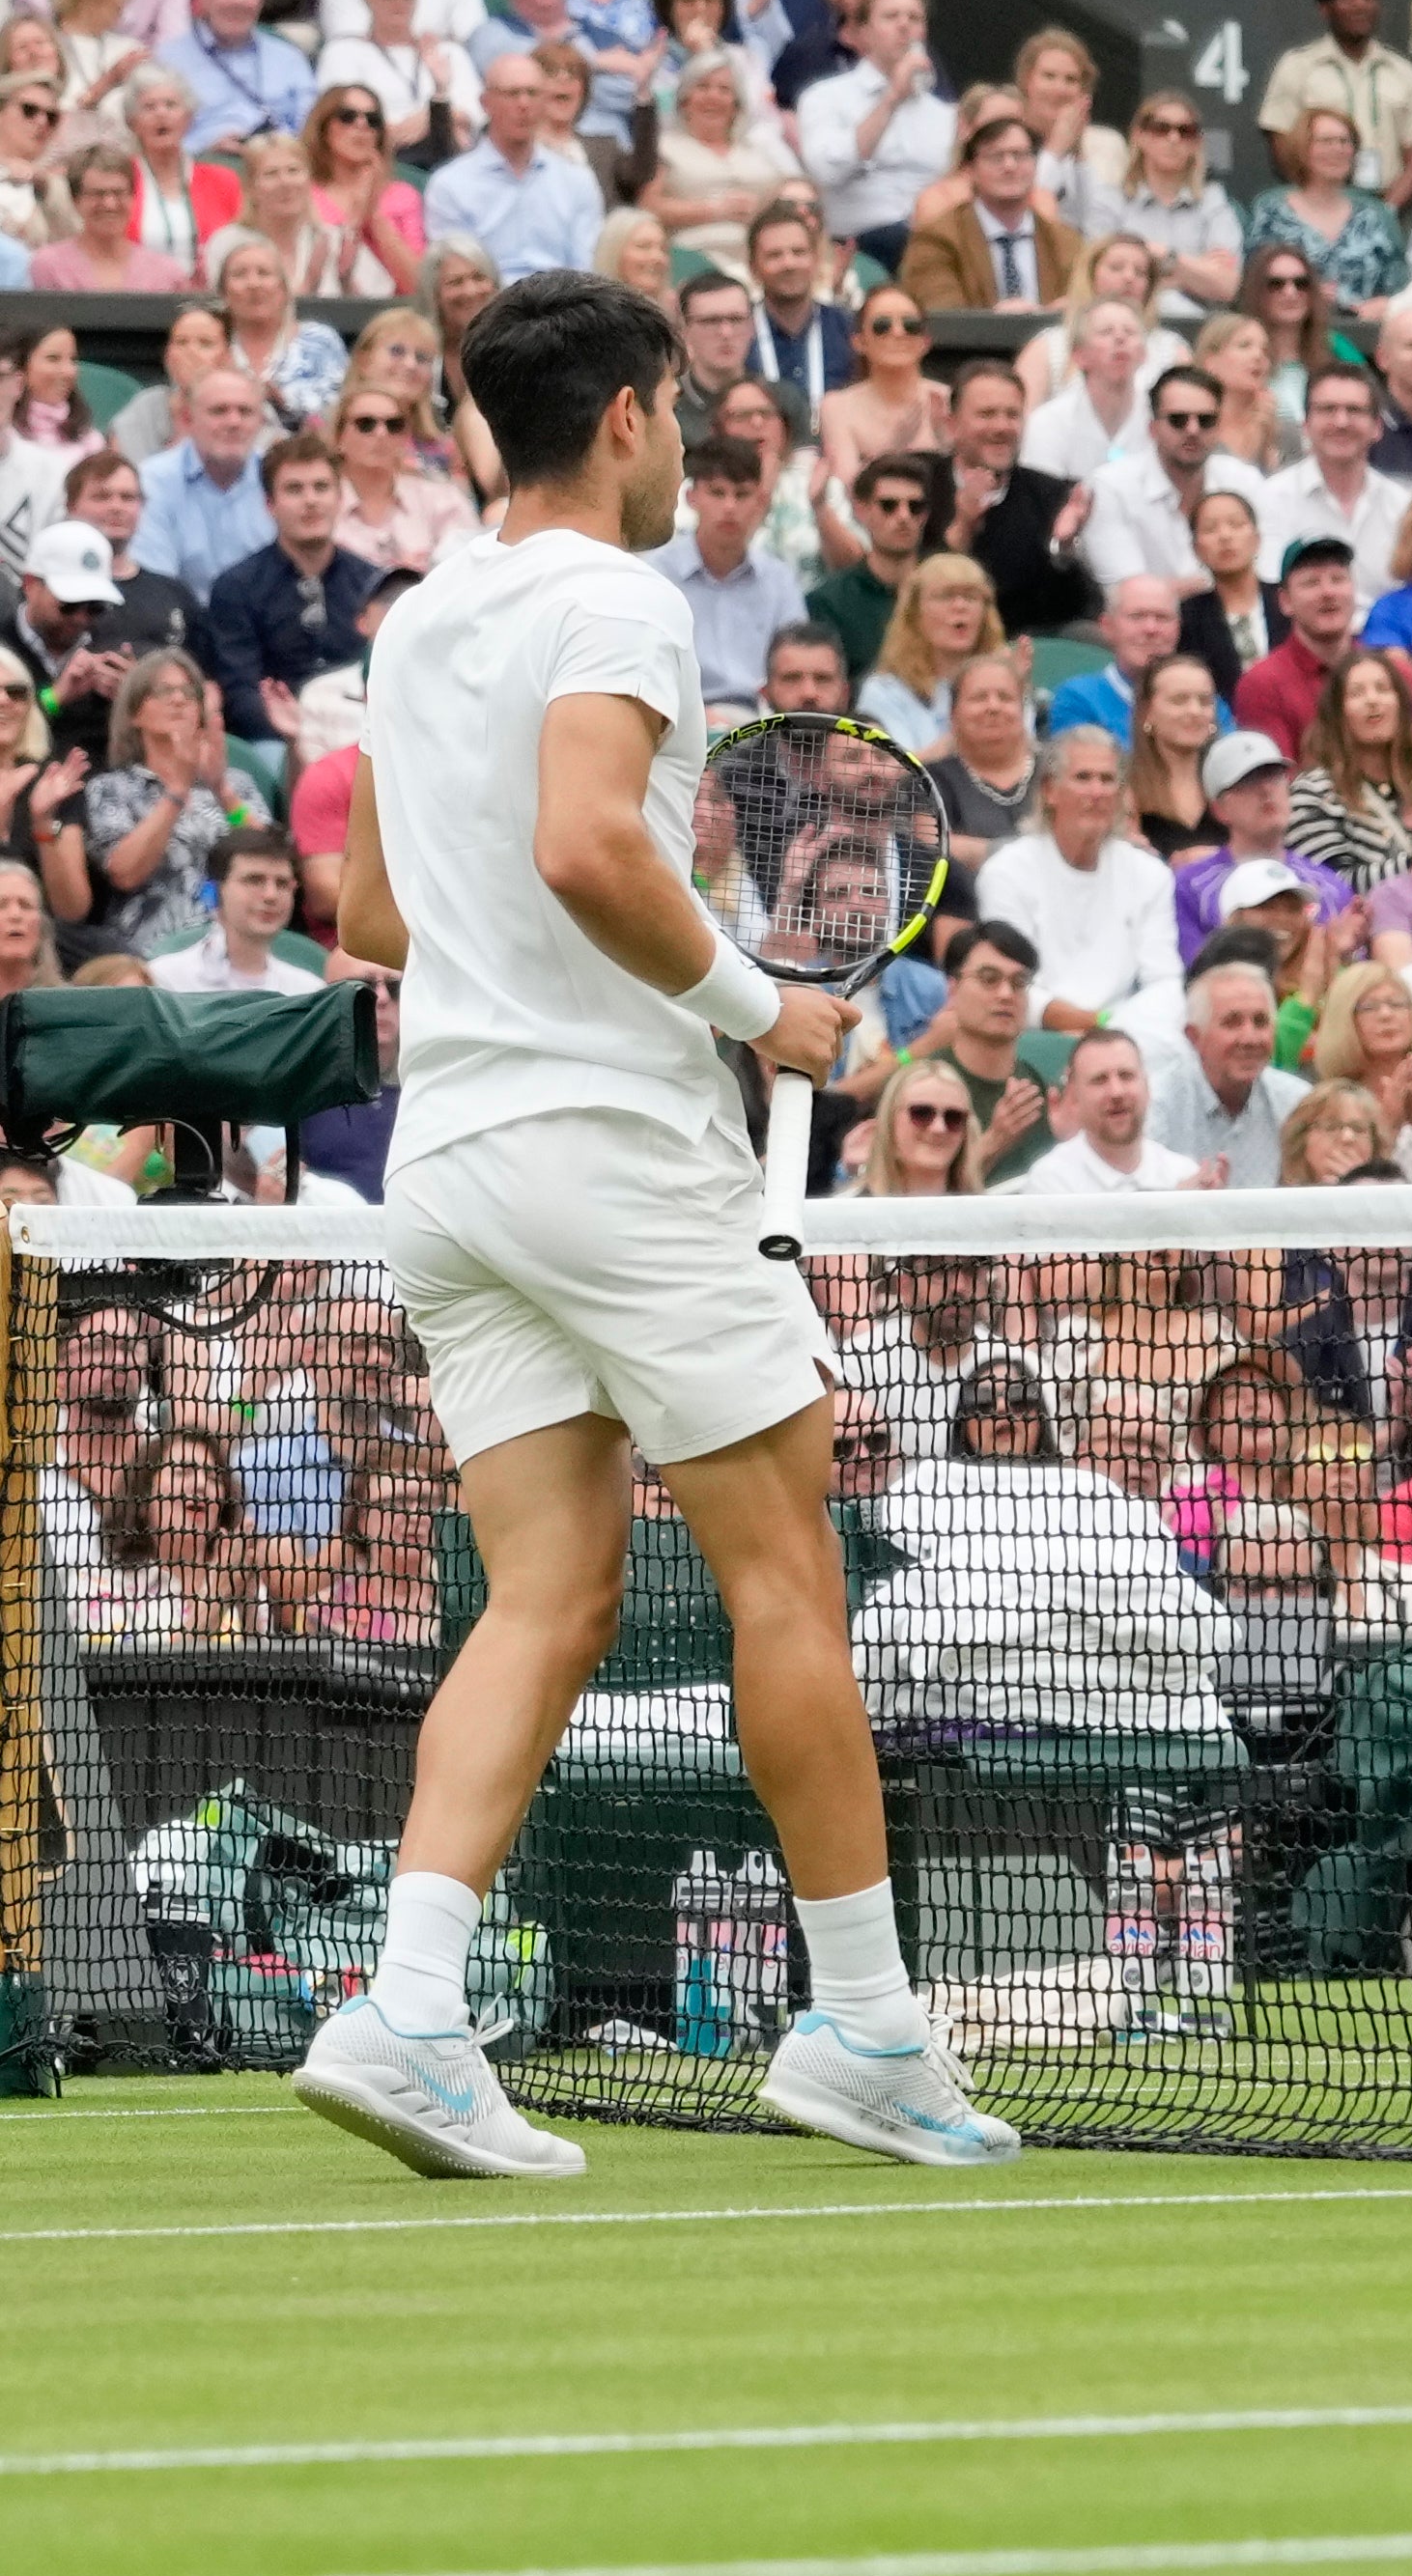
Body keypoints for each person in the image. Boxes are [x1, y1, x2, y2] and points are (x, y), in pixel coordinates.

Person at [296, 271, 1013, 2180]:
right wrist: (749, 1004)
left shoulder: (422, 614)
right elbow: (586, 844)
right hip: (611, 1152)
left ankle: (413, 2006)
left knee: (551, 1592)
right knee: (789, 1575)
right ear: (624, 415)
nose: (690, 444)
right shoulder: (619, 597)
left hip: (448, 1167)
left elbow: (372, 910)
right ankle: (865, 2025)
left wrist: (585, 956)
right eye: (682, 412)